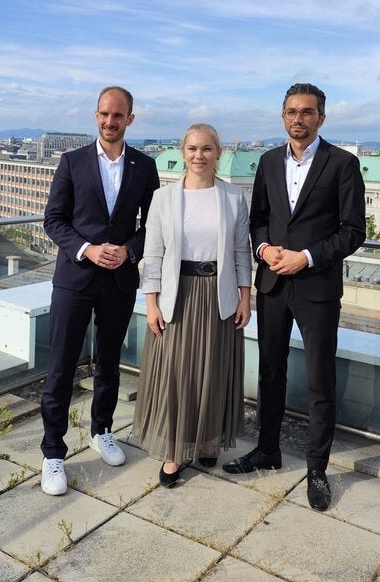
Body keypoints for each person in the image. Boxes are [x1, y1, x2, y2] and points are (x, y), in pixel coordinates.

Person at [222, 82, 366, 512]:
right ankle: (268, 450)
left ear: (321, 117)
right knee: (270, 372)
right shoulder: (267, 161)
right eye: (290, 112)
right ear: (282, 116)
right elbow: (259, 218)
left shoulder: (342, 164)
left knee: (321, 379)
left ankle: (317, 468)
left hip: (316, 286)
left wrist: (304, 257)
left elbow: (352, 231)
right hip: (272, 285)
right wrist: (264, 250)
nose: (297, 119)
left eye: (306, 112)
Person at [40, 85, 160, 496]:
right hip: (74, 279)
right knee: (61, 366)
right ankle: (53, 453)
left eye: (118, 115)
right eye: (104, 114)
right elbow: (53, 220)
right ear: (96, 116)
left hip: (119, 280)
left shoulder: (145, 166)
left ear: (130, 118)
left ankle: (101, 430)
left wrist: (128, 251)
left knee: (109, 363)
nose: (110, 121)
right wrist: (88, 250)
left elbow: (152, 226)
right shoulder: (71, 162)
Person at [133, 123, 252, 487]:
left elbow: (240, 252)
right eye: (192, 149)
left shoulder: (233, 196)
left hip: (220, 293)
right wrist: (151, 303)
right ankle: (174, 451)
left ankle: (206, 440)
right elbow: (152, 255)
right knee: (178, 373)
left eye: (207, 149)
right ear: (182, 152)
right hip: (177, 295)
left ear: (218, 154)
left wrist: (246, 297)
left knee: (212, 371)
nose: (199, 156)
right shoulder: (163, 198)